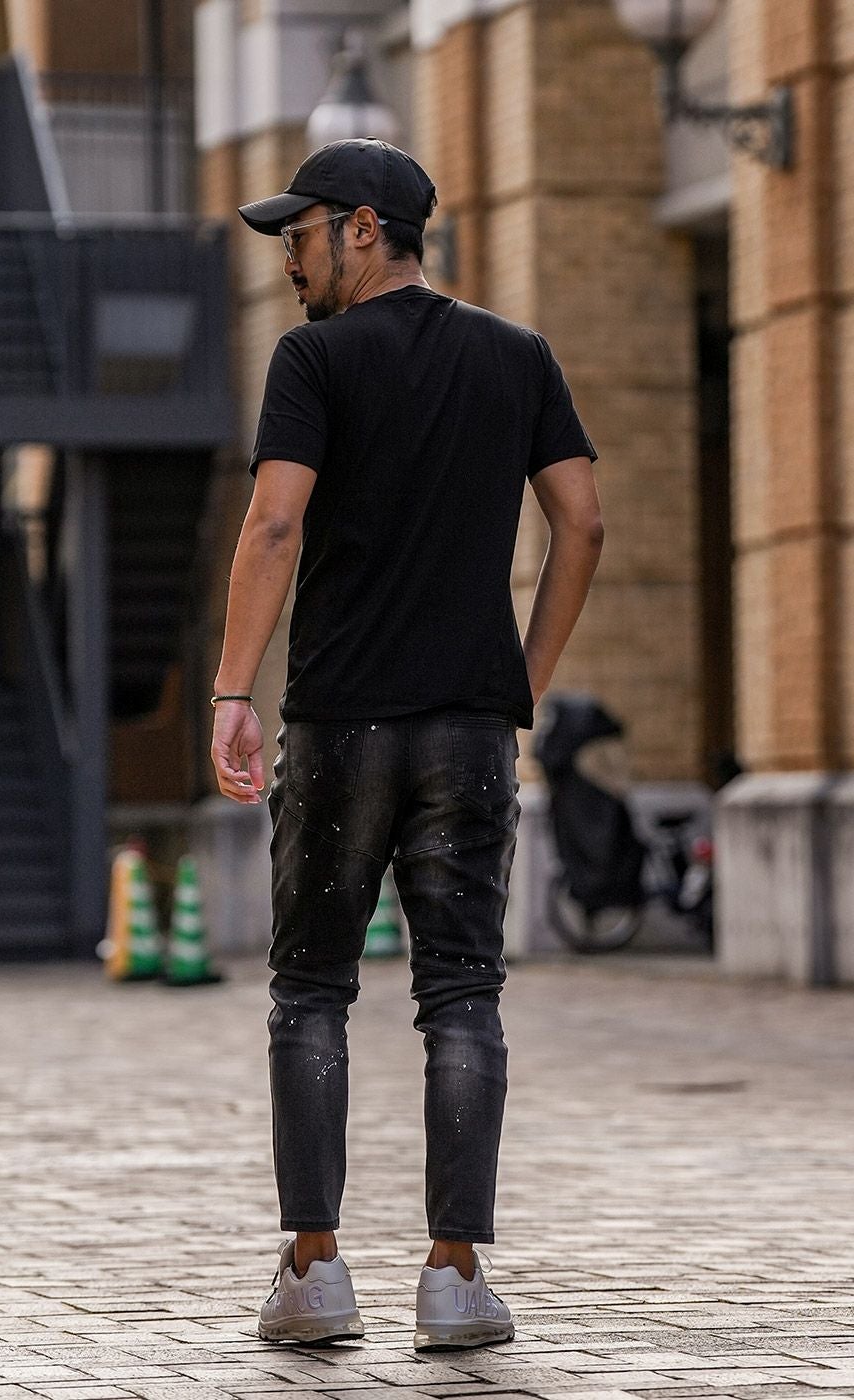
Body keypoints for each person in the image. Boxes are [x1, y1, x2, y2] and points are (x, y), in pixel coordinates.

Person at [211, 138, 603, 1351]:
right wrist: (519, 682)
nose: (289, 259)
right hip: (469, 732)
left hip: (339, 722)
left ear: (365, 229)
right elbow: (582, 522)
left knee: (310, 989)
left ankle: (314, 1272)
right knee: (463, 993)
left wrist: (230, 689)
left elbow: (274, 525)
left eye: (301, 234)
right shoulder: (518, 355)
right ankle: (453, 1277)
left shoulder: (314, 359)